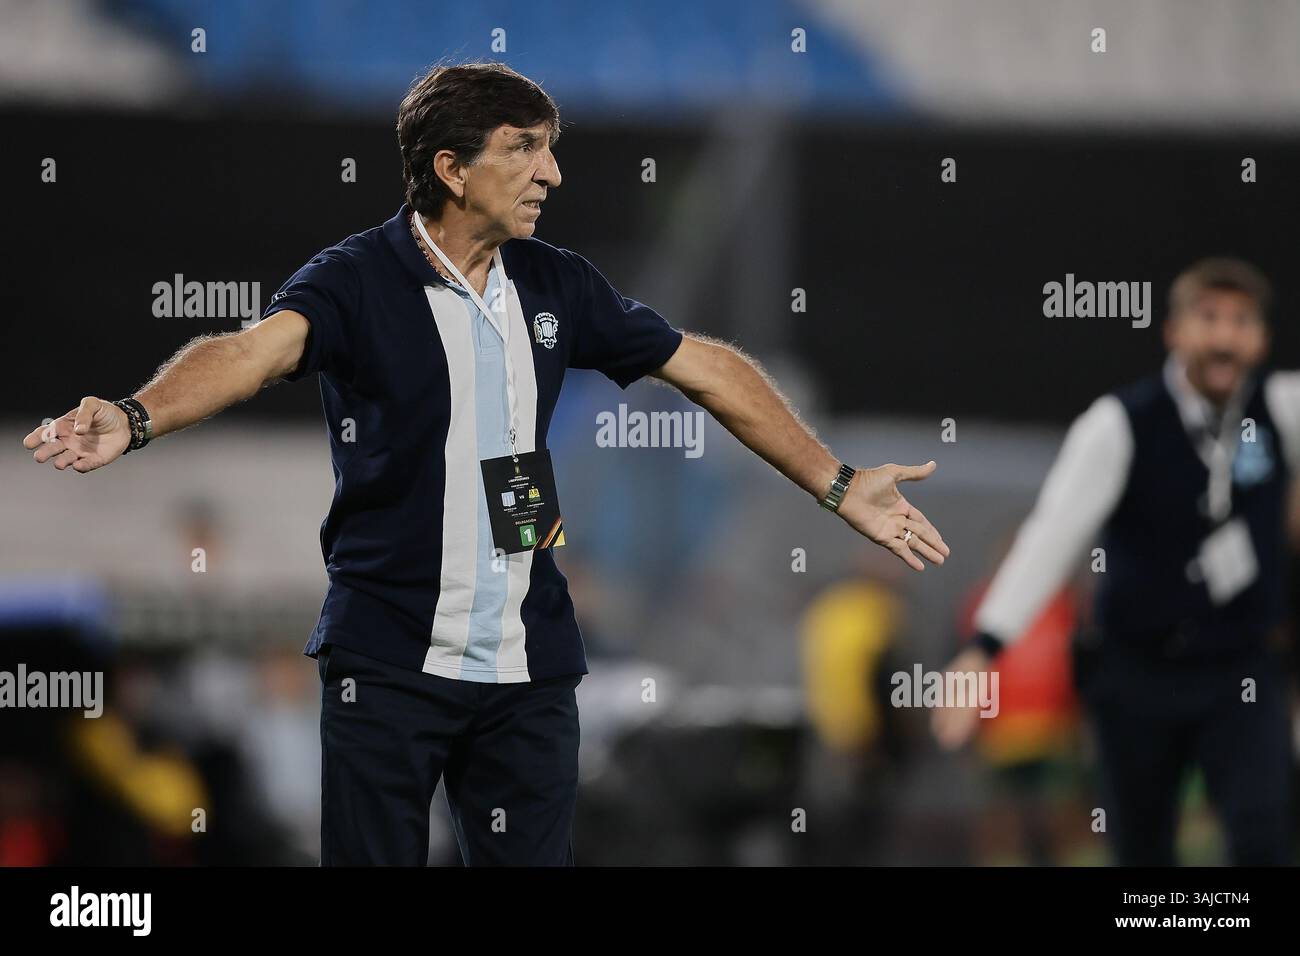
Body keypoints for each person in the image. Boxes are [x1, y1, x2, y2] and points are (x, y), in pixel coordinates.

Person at [22, 62, 948, 866]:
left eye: (548, 147)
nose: (551, 170)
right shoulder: (356, 279)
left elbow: (707, 368)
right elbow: (251, 351)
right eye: (522, 147)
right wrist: (138, 416)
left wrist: (837, 482)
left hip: (530, 672)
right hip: (386, 661)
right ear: (451, 169)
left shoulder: (557, 282)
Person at [933, 257, 1294, 865]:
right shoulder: (1120, 423)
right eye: (1209, 318)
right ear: (1174, 331)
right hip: (1138, 669)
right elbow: (1054, 534)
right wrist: (985, 647)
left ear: (1261, 339)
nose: (1225, 336)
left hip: (1241, 668)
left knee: (1264, 833)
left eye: (1241, 321)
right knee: (1143, 851)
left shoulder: (1281, 410)